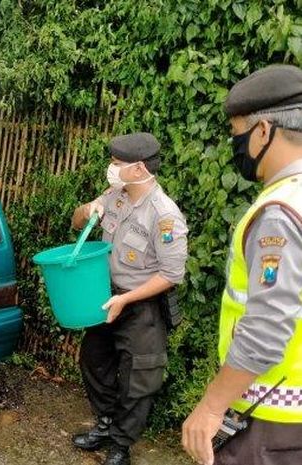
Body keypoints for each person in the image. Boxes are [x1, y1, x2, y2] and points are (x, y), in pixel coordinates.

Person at [182, 65, 302, 465]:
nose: (236, 146)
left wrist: (212, 406)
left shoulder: (280, 212)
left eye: (238, 135)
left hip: (273, 420)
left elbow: (267, 326)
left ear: (263, 131)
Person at [70, 132, 189, 465]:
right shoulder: (114, 195)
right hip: (107, 297)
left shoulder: (164, 215)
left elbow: (171, 274)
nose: (111, 167)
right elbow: (77, 222)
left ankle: (121, 445)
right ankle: (105, 424)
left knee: (139, 377)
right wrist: (86, 208)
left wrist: (127, 299)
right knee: (93, 361)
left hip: (142, 306)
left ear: (138, 169)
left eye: (117, 163)